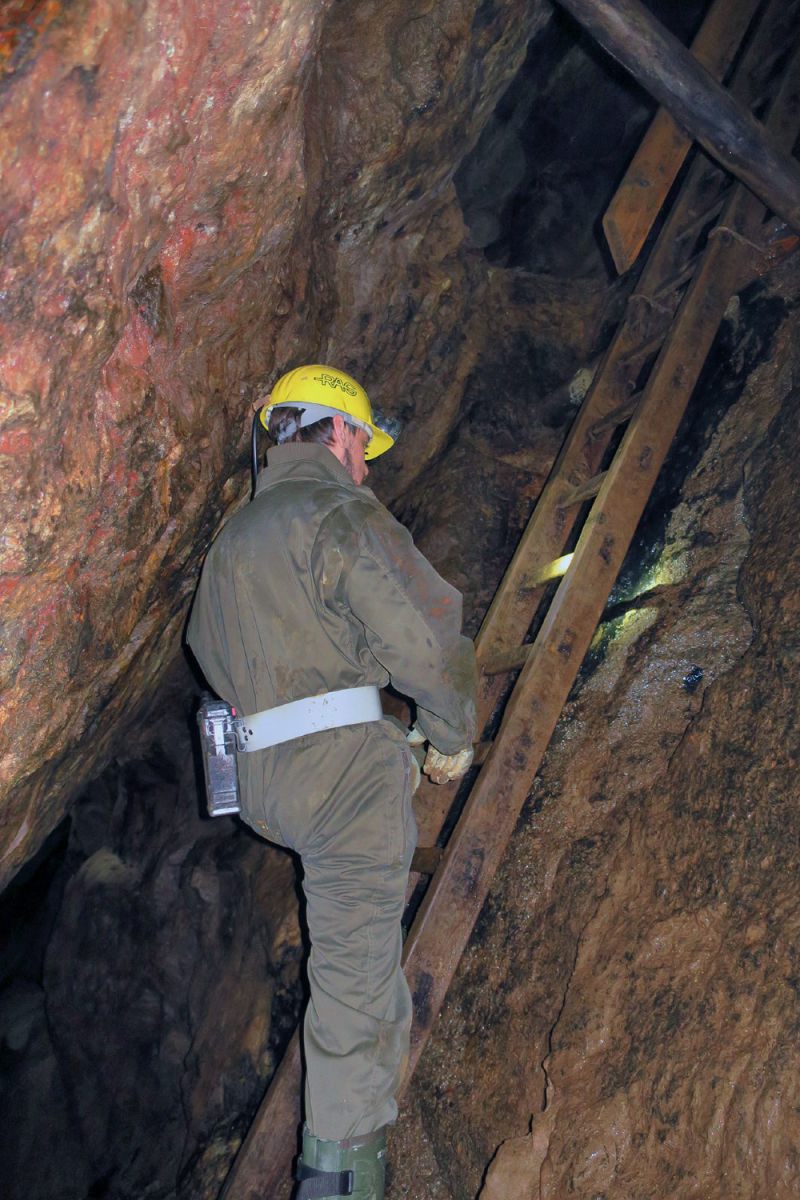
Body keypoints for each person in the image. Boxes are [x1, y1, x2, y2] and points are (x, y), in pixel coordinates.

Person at [187, 364, 476, 1200]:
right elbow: (423, 639)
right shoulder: (341, 512)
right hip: (339, 782)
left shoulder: (232, 540)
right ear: (337, 432)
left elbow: (209, 653)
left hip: (262, 786)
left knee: (344, 965)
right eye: (365, 444)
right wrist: (451, 735)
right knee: (354, 990)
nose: (369, 465)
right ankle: (341, 1183)